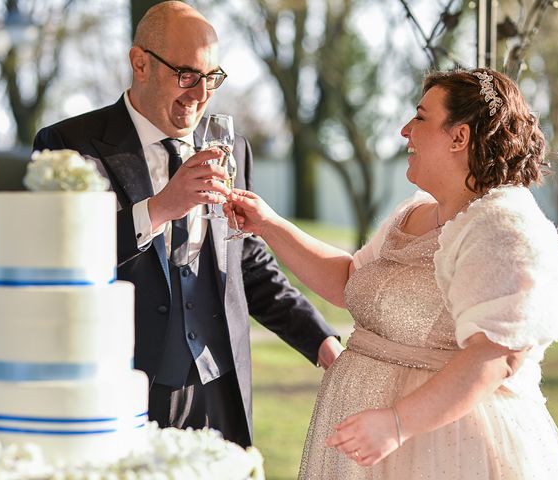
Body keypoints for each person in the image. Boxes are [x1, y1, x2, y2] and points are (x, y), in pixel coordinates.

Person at [225, 68, 558, 478]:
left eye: (421, 117)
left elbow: (497, 355)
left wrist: (397, 423)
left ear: (459, 136)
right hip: (370, 452)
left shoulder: (503, 227)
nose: (405, 130)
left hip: (447, 453)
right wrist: (268, 224)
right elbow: (347, 281)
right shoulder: (413, 214)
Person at [33, 1, 343, 448]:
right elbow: (58, 257)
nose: (200, 94)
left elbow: (247, 263)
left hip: (218, 389)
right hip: (123, 387)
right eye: (186, 75)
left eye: (211, 78)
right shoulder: (69, 145)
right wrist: (160, 208)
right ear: (140, 63)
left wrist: (320, 340)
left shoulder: (231, 147)